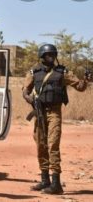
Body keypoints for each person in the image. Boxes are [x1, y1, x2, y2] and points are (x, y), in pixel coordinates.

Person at [22, 44, 92, 195]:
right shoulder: (34, 72)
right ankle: (45, 179)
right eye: (48, 55)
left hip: (54, 112)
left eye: (53, 55)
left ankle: (56, 183)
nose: (51, 58)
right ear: (42, 56)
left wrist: (86, 79)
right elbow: (25, 91)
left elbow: (80, 87)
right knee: (41, 145)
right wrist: (30, 100)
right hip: (39, 112)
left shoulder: (62, 72)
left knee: (52, 144)